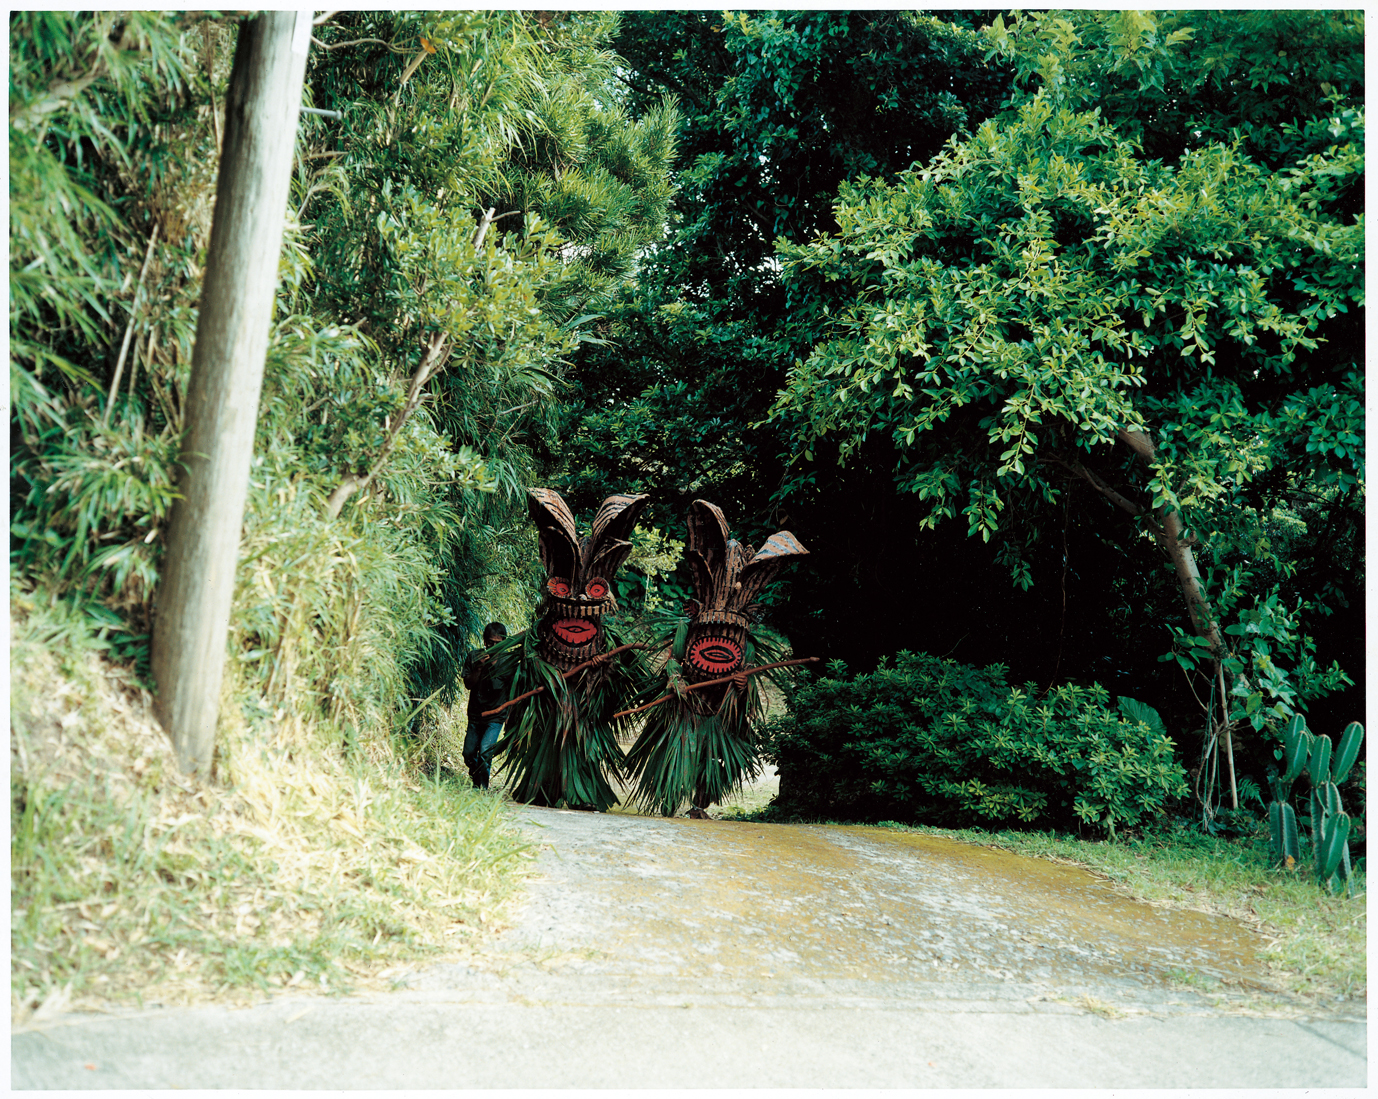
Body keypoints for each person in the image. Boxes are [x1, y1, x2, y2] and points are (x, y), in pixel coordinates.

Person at [461, 622, 509, 789]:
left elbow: (514, 690)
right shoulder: (474, 657)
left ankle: (482, 787)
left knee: (485, 750)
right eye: (490, 643)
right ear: (484, 641)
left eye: (498, 643)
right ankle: (475, 775)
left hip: (495, 716)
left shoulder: (509, 661)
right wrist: (479, 668)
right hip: (475, 713)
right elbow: (468, 684)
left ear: (504, 642)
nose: (493, 647)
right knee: (468, 753)